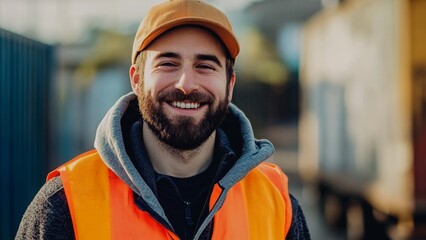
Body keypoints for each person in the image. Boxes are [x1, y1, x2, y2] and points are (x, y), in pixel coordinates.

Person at [16, 0, 310, 239]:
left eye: (205, 65)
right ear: (137, 79)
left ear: (229, 85)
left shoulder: (276, 204)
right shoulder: (65, 204)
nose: (186, 83)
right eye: (168, 63)